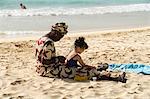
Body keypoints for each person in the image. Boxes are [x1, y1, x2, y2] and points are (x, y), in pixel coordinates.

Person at [35, 22, 126, 83]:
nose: (60, 38)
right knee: (82, 72)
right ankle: (115, 78)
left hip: (39, 68)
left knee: (78, 68)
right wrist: (58, 59)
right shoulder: (49, 43)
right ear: (55, 33)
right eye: (60, 36)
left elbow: (40, 58)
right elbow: (46, 61)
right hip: (48, 70)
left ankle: (102, 71)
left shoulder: (42, 39)